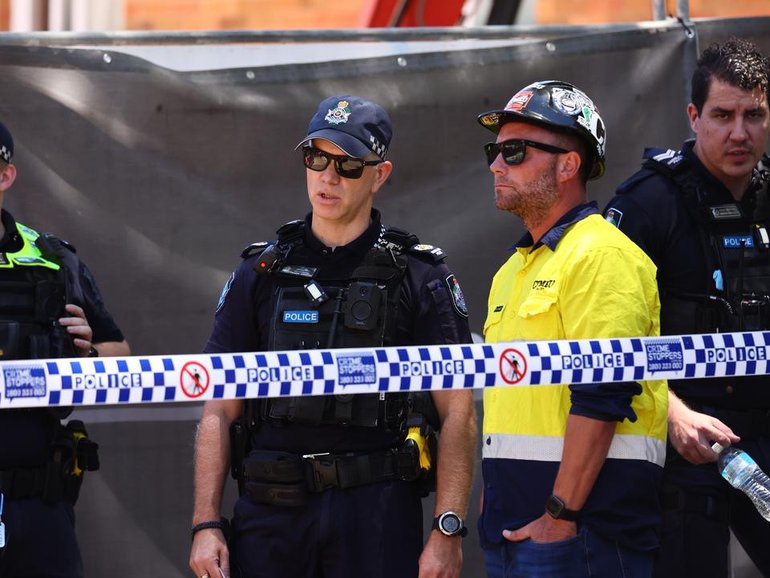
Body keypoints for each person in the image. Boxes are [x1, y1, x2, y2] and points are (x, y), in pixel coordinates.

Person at [189, 95, 476, 578]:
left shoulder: (419, 274)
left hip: (376, 512)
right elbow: (219, 407)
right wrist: (205, 523)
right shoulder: (261, 270)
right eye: (316, 158)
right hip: (271, 511)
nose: (328, 176)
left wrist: (447, 530)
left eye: (346, 164)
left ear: (379, 175)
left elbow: (459, 411)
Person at [477, 80, 668, 577]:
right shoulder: (511, 271)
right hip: (516, 531)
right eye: (494, 152)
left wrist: (560, 516)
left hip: (583, 536)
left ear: (568, 165)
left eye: (514, 151)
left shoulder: (603, 254)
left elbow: (603, 394)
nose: (497, 165)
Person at [604, 37, 770, 578]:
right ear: (694, 116)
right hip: (680, 443)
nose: (739, 133)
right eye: (723, 115)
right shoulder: (647, 203)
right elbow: (609, 341)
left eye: (755, 115)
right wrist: (672, 413)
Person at [0, 120, 130, 577]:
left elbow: (122, 355)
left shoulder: (54, 260)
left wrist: (89, 351)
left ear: (5, 176)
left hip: (38, 502)